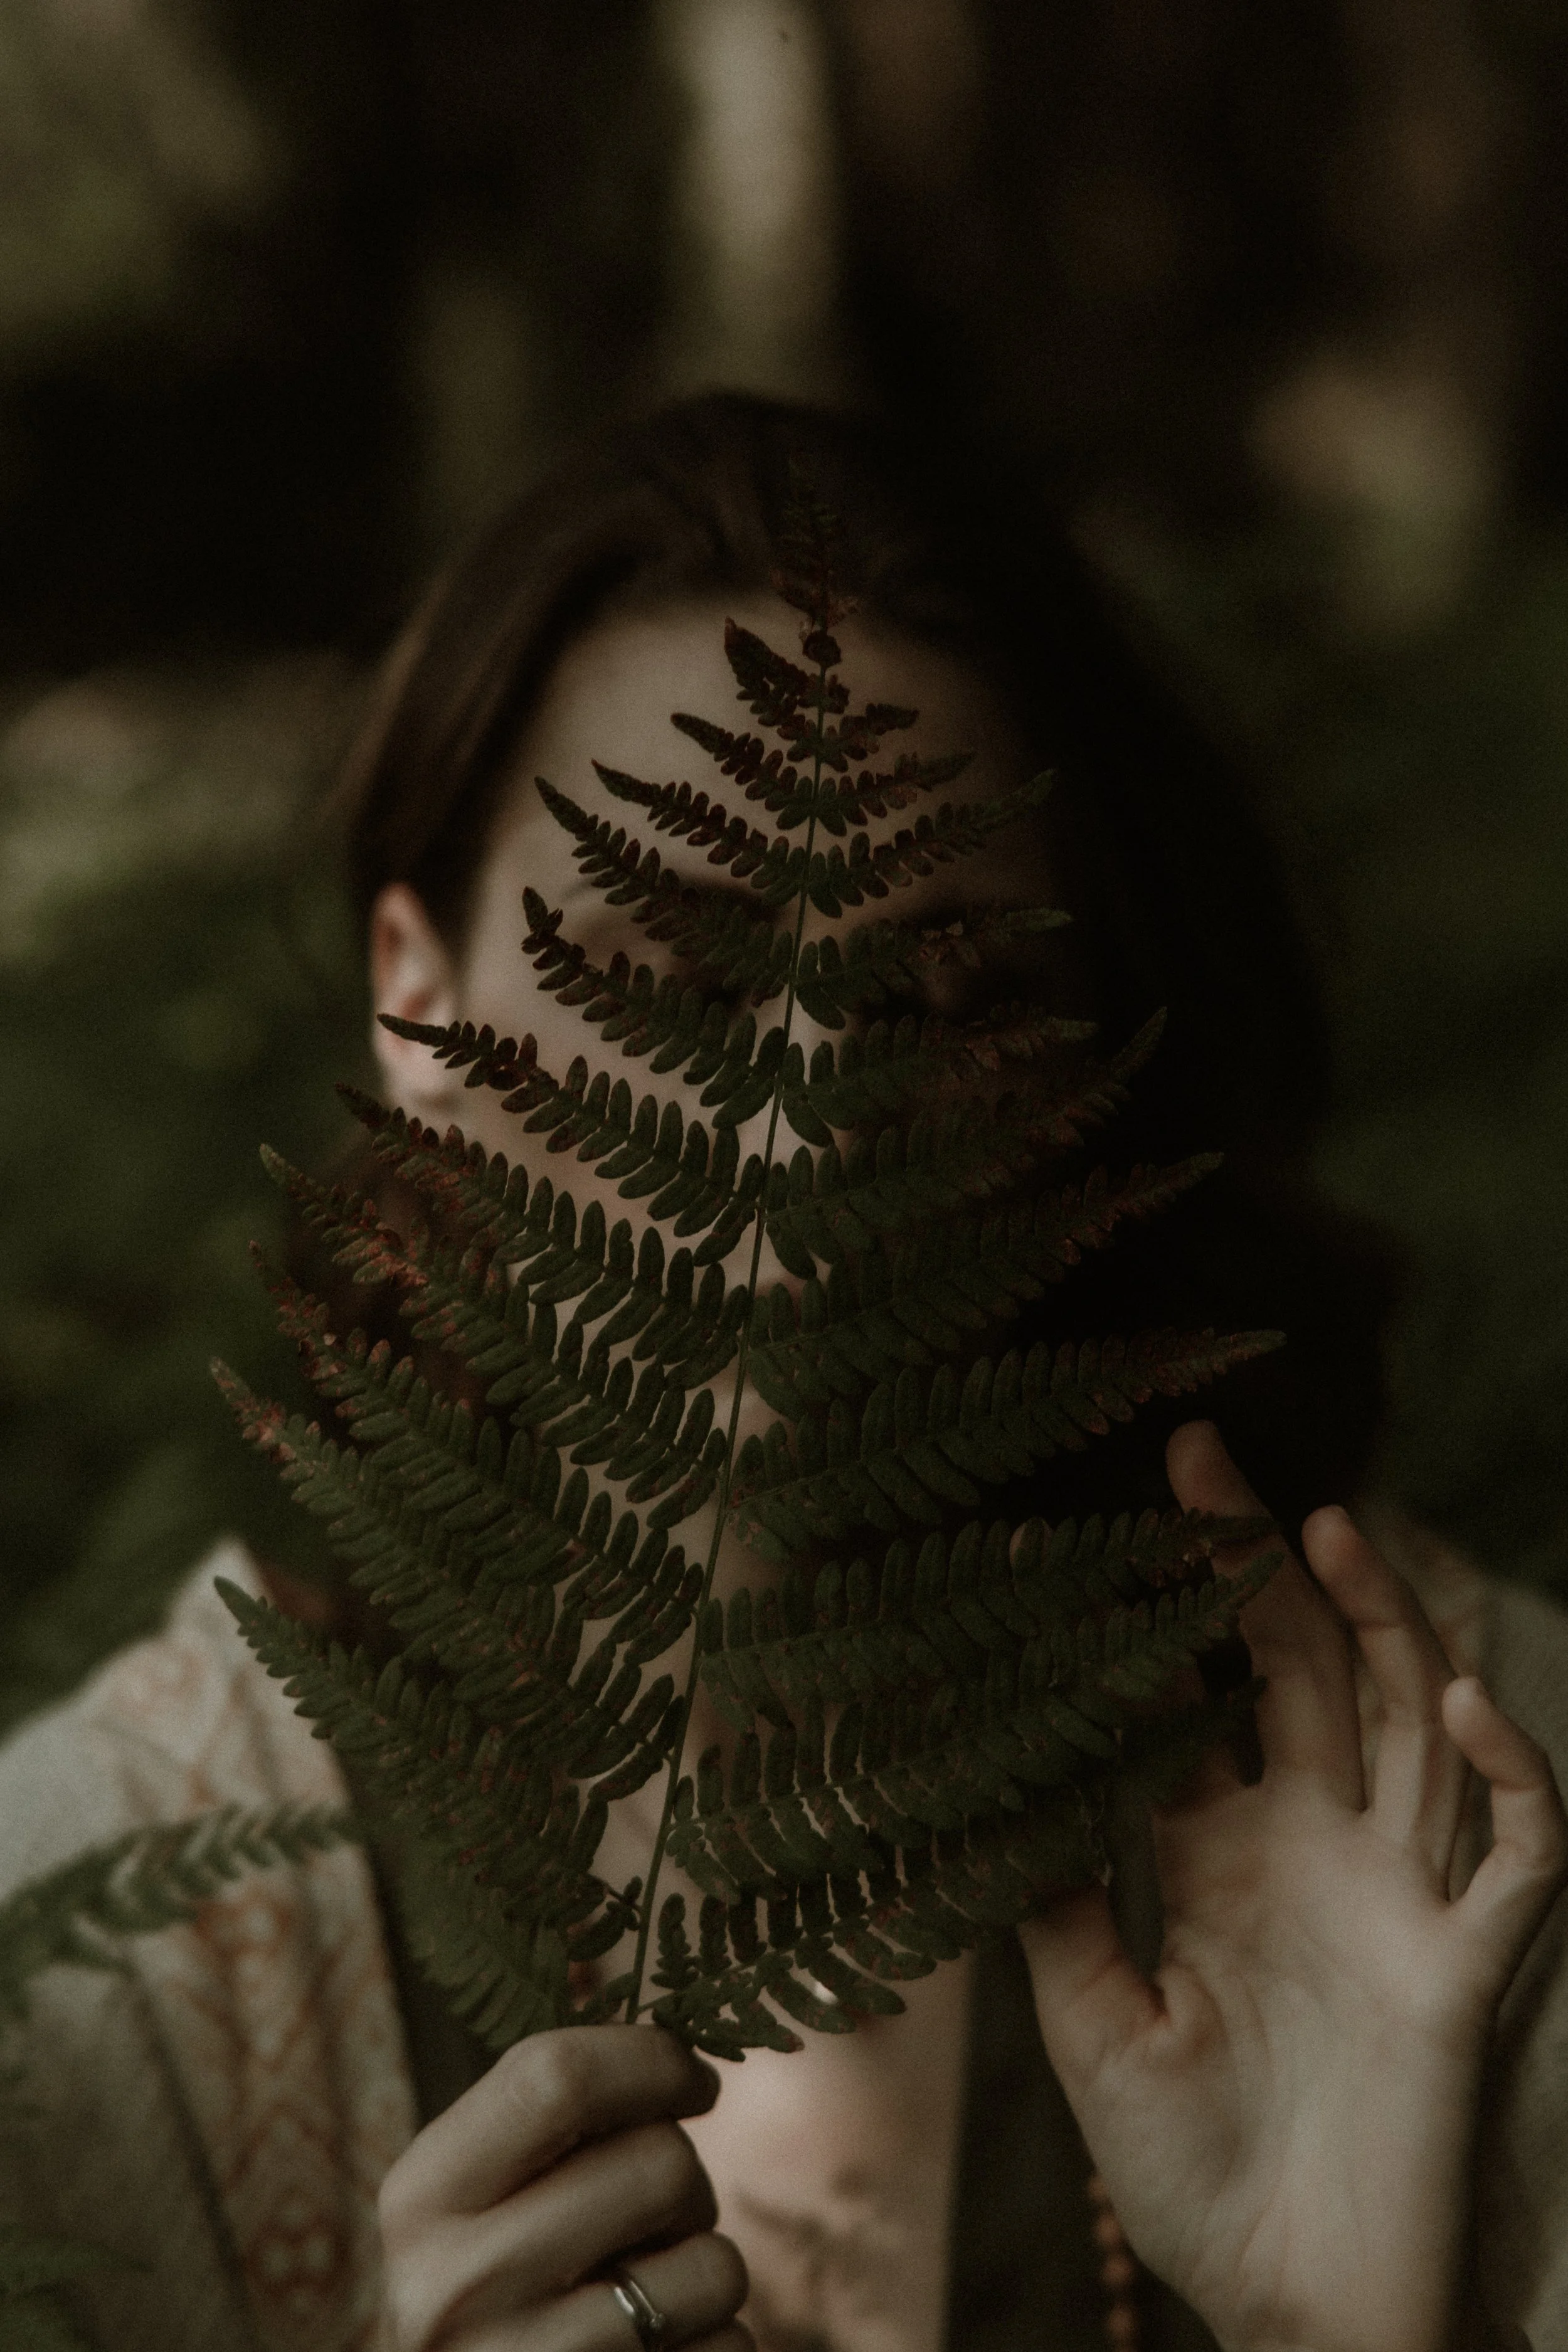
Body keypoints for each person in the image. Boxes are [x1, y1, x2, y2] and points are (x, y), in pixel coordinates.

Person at [0, 393, 1563, 2352]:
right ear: (416, 992)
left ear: (1088, 1075)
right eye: (659, 970)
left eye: (945, 993)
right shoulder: (85, 1966)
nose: (796, 1134)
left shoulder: (1480, 1843)